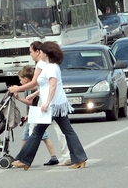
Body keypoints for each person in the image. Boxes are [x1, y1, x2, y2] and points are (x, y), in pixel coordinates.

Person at [7, 41, 87, 169]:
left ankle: (24, 160)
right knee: (67, 131)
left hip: (53, 106)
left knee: (37, 132)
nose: (40, 53)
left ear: (47, 53)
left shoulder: (50, 67)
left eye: (42, 51)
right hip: (57, 104)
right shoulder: (50, 66)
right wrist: (35, 95)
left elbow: (53, 85)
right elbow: (46, 85)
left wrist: (47, 103)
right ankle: (80, 158)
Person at [12, 65, 59, 165]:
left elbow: (31, 103)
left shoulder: (32, 89)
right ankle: (21, 156)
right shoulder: (32, 88)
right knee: (37, 136)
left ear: (26, 79)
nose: (20, 81)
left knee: (34, 136)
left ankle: (20, 158)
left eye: (20, 79)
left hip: (36, 114)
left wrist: (18, 98)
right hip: (33, 114)